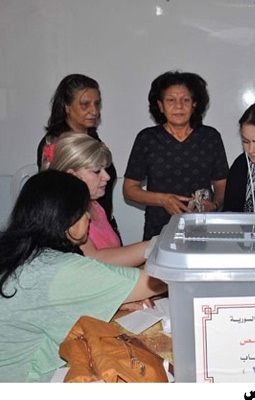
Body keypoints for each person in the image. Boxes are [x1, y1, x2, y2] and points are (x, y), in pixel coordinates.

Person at [0, 170, 167, 382]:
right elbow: (155, 280)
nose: (88, 217)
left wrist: (110, 297)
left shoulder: (18, 252)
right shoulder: (57, 268)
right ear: (65, 218)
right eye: (83, 210)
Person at [123, 70, 229, 240]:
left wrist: (214, 205)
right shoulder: (147, 138)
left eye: (185, 100)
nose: (179, 106)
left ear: (194, 104)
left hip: (203, 228)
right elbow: (129, 190)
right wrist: (163, 200)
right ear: (160, 106)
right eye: (171, 100)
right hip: (159, 228)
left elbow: (222, 184)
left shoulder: (210, 137)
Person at [41, 133, 149, 268]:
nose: (107, 177)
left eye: (105, 169)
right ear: (72, 176)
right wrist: (153, 246)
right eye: (97, 171)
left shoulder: (94, 205)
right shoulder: (67, 215)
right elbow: (94, 260)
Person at [36, 74, 120, 238]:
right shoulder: (54, 144)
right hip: (77, 234)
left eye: (97, 104)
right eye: (85, 104)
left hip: (103, 225)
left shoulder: (93, 138)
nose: (94, 111)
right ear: (66, 106)